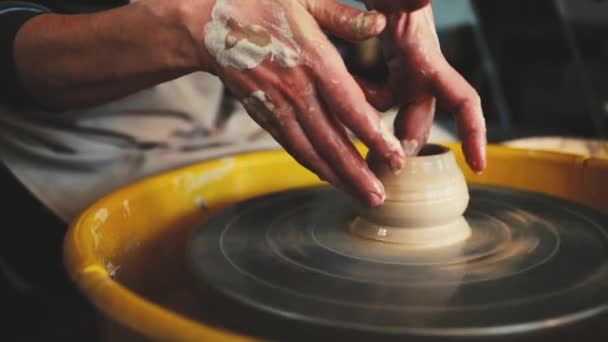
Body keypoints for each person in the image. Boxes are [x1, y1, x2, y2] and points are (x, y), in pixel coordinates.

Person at [0, 0, 485, 321]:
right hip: (85, 131)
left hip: (241, 94)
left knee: (423, 143)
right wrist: (196, 26)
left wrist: (407, 17)